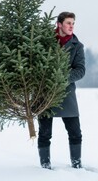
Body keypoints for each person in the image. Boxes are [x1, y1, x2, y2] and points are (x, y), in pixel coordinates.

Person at [37, 11, 86, 169]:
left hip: (67, 93)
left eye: (73, 23)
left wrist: (61, 77)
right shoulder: (44, 42)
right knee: (45, 133)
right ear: (59, 24)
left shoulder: (77, 46)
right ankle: (45, 165)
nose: (71, 26)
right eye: (68, 23)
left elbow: (80, 70)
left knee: (75, 132)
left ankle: (76, 164)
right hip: (44, 94)